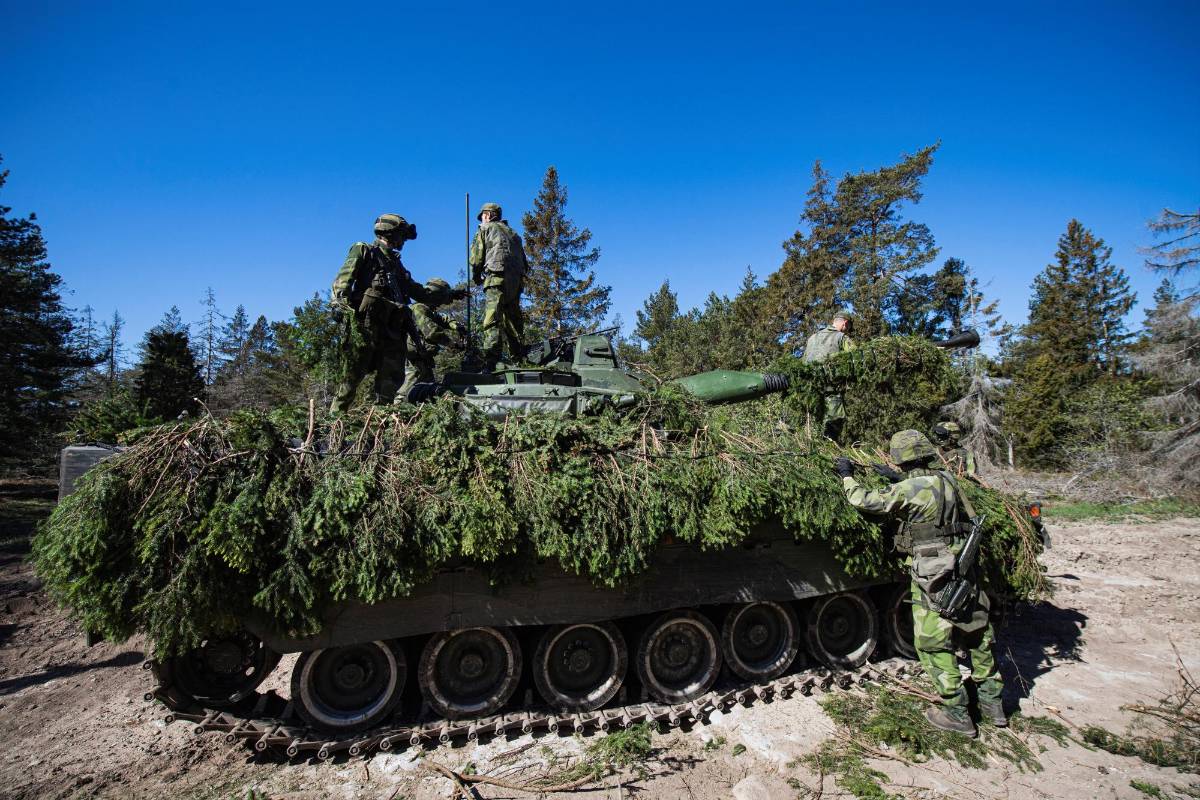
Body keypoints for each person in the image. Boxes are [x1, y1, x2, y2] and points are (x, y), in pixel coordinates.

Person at [835, 429, 1004, 736]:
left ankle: (957, 713)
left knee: (932, 641)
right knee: (977, 630)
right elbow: (931, 494)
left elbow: (864, 501)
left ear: (901, 460)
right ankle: (994, 706)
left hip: (933, 570)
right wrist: (899, 480)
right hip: (963, 566)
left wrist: (847, 476)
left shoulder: (911, 489)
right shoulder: (949, 481)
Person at [329, 213, 463, 413]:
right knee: (351, 379)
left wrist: (449, 295)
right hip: (366, 326)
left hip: (393, 332)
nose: (403, 241)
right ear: (390, 232)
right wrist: (340, 304)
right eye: (402, 235)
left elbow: (420, 292)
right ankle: (334, 424)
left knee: (390, 384)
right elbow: (343, 279)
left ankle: (379, 429)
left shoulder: (397, 266)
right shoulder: (365, 250)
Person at [468, 202, 528, 370]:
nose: (482, 219)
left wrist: (476, 277)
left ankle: (491, 362)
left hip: (496, 278)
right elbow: (524, 262)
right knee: (513, 321)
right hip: (515, 283)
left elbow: (476, 258)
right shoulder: (515, 235)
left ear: (488, 215)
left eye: (483, 216)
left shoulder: (485, 229)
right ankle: (520, 358)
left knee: (492, 320)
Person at [397, 278, 463, 400]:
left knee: (427, 391)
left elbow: (443, 320)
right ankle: (394, 413)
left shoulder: (428, 310)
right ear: (436, 295)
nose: (441, 303)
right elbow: (432, 332)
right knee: (407, 391)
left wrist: (457, 326)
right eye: (441, 298)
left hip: (423, 358)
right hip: (416, 357)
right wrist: (452, 344)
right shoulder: (419, 308)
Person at [802, 310, 855, 442]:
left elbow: (802, 363)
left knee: (808, 422)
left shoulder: (812, 338)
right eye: (848, 328)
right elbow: (856, 358)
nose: (847, 331)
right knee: (835, 421)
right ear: (845, 323)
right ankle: (828, 449)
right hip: (830, 389)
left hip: (807, 389)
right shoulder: (841, 337)